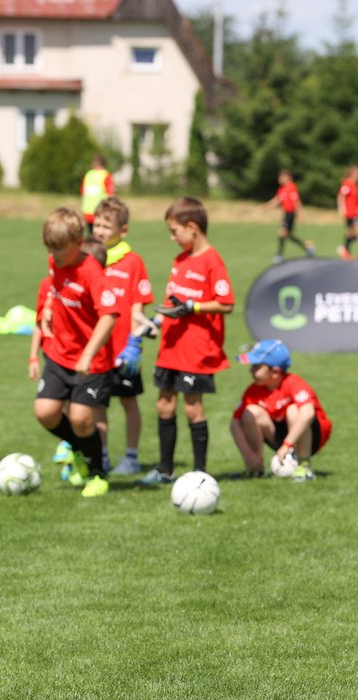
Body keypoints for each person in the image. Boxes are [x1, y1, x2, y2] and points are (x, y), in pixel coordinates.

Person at [138, 197, 235, 485]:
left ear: (192, 227)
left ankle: (200, 474)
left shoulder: (212, 261)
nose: (172, 238)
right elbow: (172, 301)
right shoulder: (180, 260)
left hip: (196, 349)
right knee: (164, 405)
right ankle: (165, 470)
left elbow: (226, 303)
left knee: (193, 408)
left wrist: (194, 307)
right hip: (170, 346)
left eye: (174, 231)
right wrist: (156, 322)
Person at [33, 207, 120, 498]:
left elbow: (109, 315)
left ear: (79, 243)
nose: (54, 256)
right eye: (50, 249)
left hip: (91, 361)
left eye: (60, 250)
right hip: (59, 353)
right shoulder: (55, 262)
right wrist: (47, 310)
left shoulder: (91, 273)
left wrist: (87, 354)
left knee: (83, 419)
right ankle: (80, 451)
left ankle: (97, 473)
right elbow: (54, 289)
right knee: (45, 412)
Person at [93, 196, 156, 476]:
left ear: (123, 230)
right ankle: (102, 455)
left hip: (123, 351)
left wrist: (135, 344)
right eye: (96, 225)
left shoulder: (133, 262)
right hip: (97, 350)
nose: (100, 231)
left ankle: (131, 457)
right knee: (97, 404)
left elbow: (138, 307)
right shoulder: (90, 259)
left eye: (106, 226)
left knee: (129, 402)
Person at [230, 339, 332, 482]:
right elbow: (234, 423)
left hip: (311, 437)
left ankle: (304, 465)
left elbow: (308, 413)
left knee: (294, 410)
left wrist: (287, 445)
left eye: (256, 366)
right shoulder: (253, 390)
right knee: (250, 413)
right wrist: (248, 455)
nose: (251, 370)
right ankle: (256, 468)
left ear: (275, 372)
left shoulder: (293, 383)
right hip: (281, 438)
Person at [264, 169, 315, 263]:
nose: (280, 179)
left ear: (288, 177)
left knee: (282, 233)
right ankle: (307, 247)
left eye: (282, 177)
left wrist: (301, 213)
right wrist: (268, 206)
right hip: (286, 214)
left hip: (291, 214)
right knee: (288, 235)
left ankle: (279, 255)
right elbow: (277, 200)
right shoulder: (282, 189)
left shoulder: (291, 187)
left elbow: (296, 201)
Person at [80, 154, 115, 236]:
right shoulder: (106, 175)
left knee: (91, 234)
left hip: (87, 210)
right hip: (100, 210)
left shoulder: (88, 174)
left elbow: (83, 192)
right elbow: (110, 194)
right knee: (100, 236)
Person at [336, 166, 358, 260]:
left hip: (355, 212)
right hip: (350, 213)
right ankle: (344, 248)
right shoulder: (348, 184)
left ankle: (346, 252)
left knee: (351, 233)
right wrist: (341, 208)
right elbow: (341, 196)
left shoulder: (354, 185)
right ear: (352, 174)